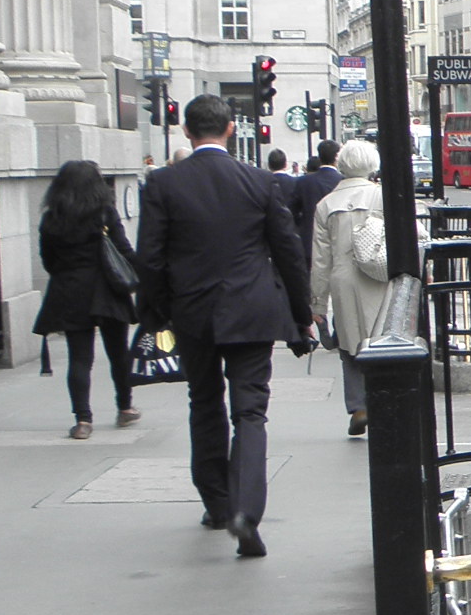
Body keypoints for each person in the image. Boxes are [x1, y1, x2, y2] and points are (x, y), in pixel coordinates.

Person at [137, 95, 314, 560]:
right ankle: (247, 511)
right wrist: (301, 317)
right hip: (252, 310)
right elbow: (289, 253)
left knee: (204, 402)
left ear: (186, 133)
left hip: (193, 313)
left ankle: (216, 502)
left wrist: (157, 313)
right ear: (231, 129)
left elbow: (150, 258)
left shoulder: (163, 183)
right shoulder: (258, 181)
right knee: (250, 412)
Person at [32, 160, 140, 440]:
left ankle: (83, 420)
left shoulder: (52, 218)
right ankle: (125, 407)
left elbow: (48, 261)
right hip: (108, 291)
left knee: (80, 359)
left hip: (70, 291)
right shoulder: (104, 214)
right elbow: (124, 250)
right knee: (118, 353)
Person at [309, 138, 388, 437]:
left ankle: (358, 406)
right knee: (383, 342)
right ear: (372, 165)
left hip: (343, 279)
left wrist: (317, 304)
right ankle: (384, 403)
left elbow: (320, 260)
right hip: (379, 275)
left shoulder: (326, 205)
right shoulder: (382, 197)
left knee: (349, 345)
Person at [290, 138, 340, 271]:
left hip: (309, 240)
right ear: (336, 156)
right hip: (339, 242)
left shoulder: (304, 182)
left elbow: (291, 211)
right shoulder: (342, 181)